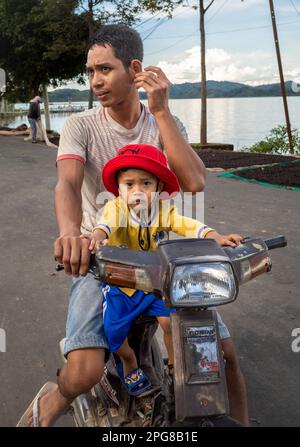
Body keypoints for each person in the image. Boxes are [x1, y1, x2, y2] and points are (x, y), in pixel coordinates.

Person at [19, 23, 247, 427]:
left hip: (164, 259)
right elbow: (67, 183)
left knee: (222, 353)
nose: (95, 82)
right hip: (100, 255)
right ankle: (55, 398)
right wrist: (72, 233)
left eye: (104, 69)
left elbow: (193, 183)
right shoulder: (81, 126)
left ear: (135, 69)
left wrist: (160, 111)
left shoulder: (163, 123)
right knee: (84, 371)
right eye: (90, 73)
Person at [89, 143, 243, 397]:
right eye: (129, 185)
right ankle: (129, 360)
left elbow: (186, 224)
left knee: (171, 322)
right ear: (118, 188)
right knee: (113, 332)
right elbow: (105, 225)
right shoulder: (114, 209)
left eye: (146, 184)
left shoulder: (163, 211)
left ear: (159, 188)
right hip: (123, 285)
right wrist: (97, 237)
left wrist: (214, 235)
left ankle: (175, 364)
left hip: (156, 283)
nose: (137, 192)